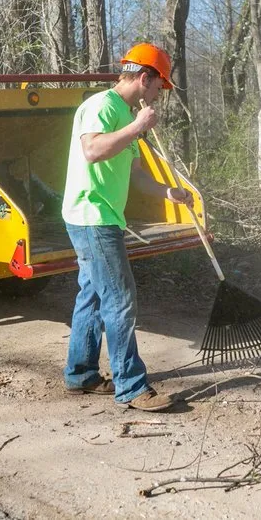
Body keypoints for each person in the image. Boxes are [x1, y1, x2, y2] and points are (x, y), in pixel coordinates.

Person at [61, 43, 192, 412]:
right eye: (158, 87)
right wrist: (137, 125)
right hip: (93, 216)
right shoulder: (103, 106)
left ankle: (81, 373)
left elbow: (134, 175)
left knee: (93, 293)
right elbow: (92, 150)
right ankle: (132, 387)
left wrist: (169, 192)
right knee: (120, 299)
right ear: (144, 77)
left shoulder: (124, 112)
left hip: (97, 215)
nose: (158, 95)